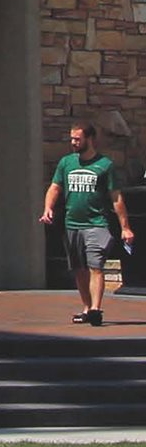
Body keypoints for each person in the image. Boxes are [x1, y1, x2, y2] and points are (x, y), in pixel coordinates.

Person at [40, 121, 135, 325]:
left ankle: (96, 309)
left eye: (77, 139)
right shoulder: (66, 163)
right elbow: (55, 188)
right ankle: (86, 307)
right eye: (72, 138)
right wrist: (48, 208)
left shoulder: (104, 165)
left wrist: (125, 227)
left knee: (96, 266)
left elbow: (116, 197)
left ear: (89, 139)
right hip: (72, 224)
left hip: (96, 223)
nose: (73, 142)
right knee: (79, 269)